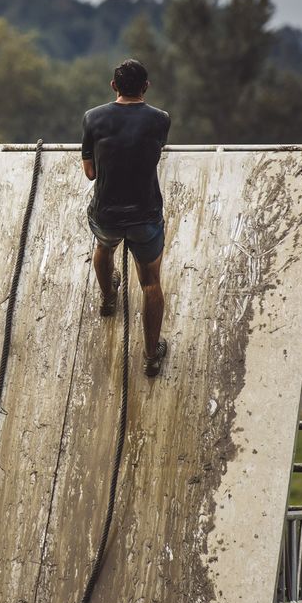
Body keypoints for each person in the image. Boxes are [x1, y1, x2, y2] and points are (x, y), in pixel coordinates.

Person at [81, 58, 171, 376]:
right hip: (145, 215)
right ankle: (150, 355)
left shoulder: (92, 118)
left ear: (113, 86)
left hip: (106, 213)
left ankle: (108, 298)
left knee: (104, 248)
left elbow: (90, 172)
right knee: (150, 283)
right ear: (146, 87)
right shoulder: (161, 120)